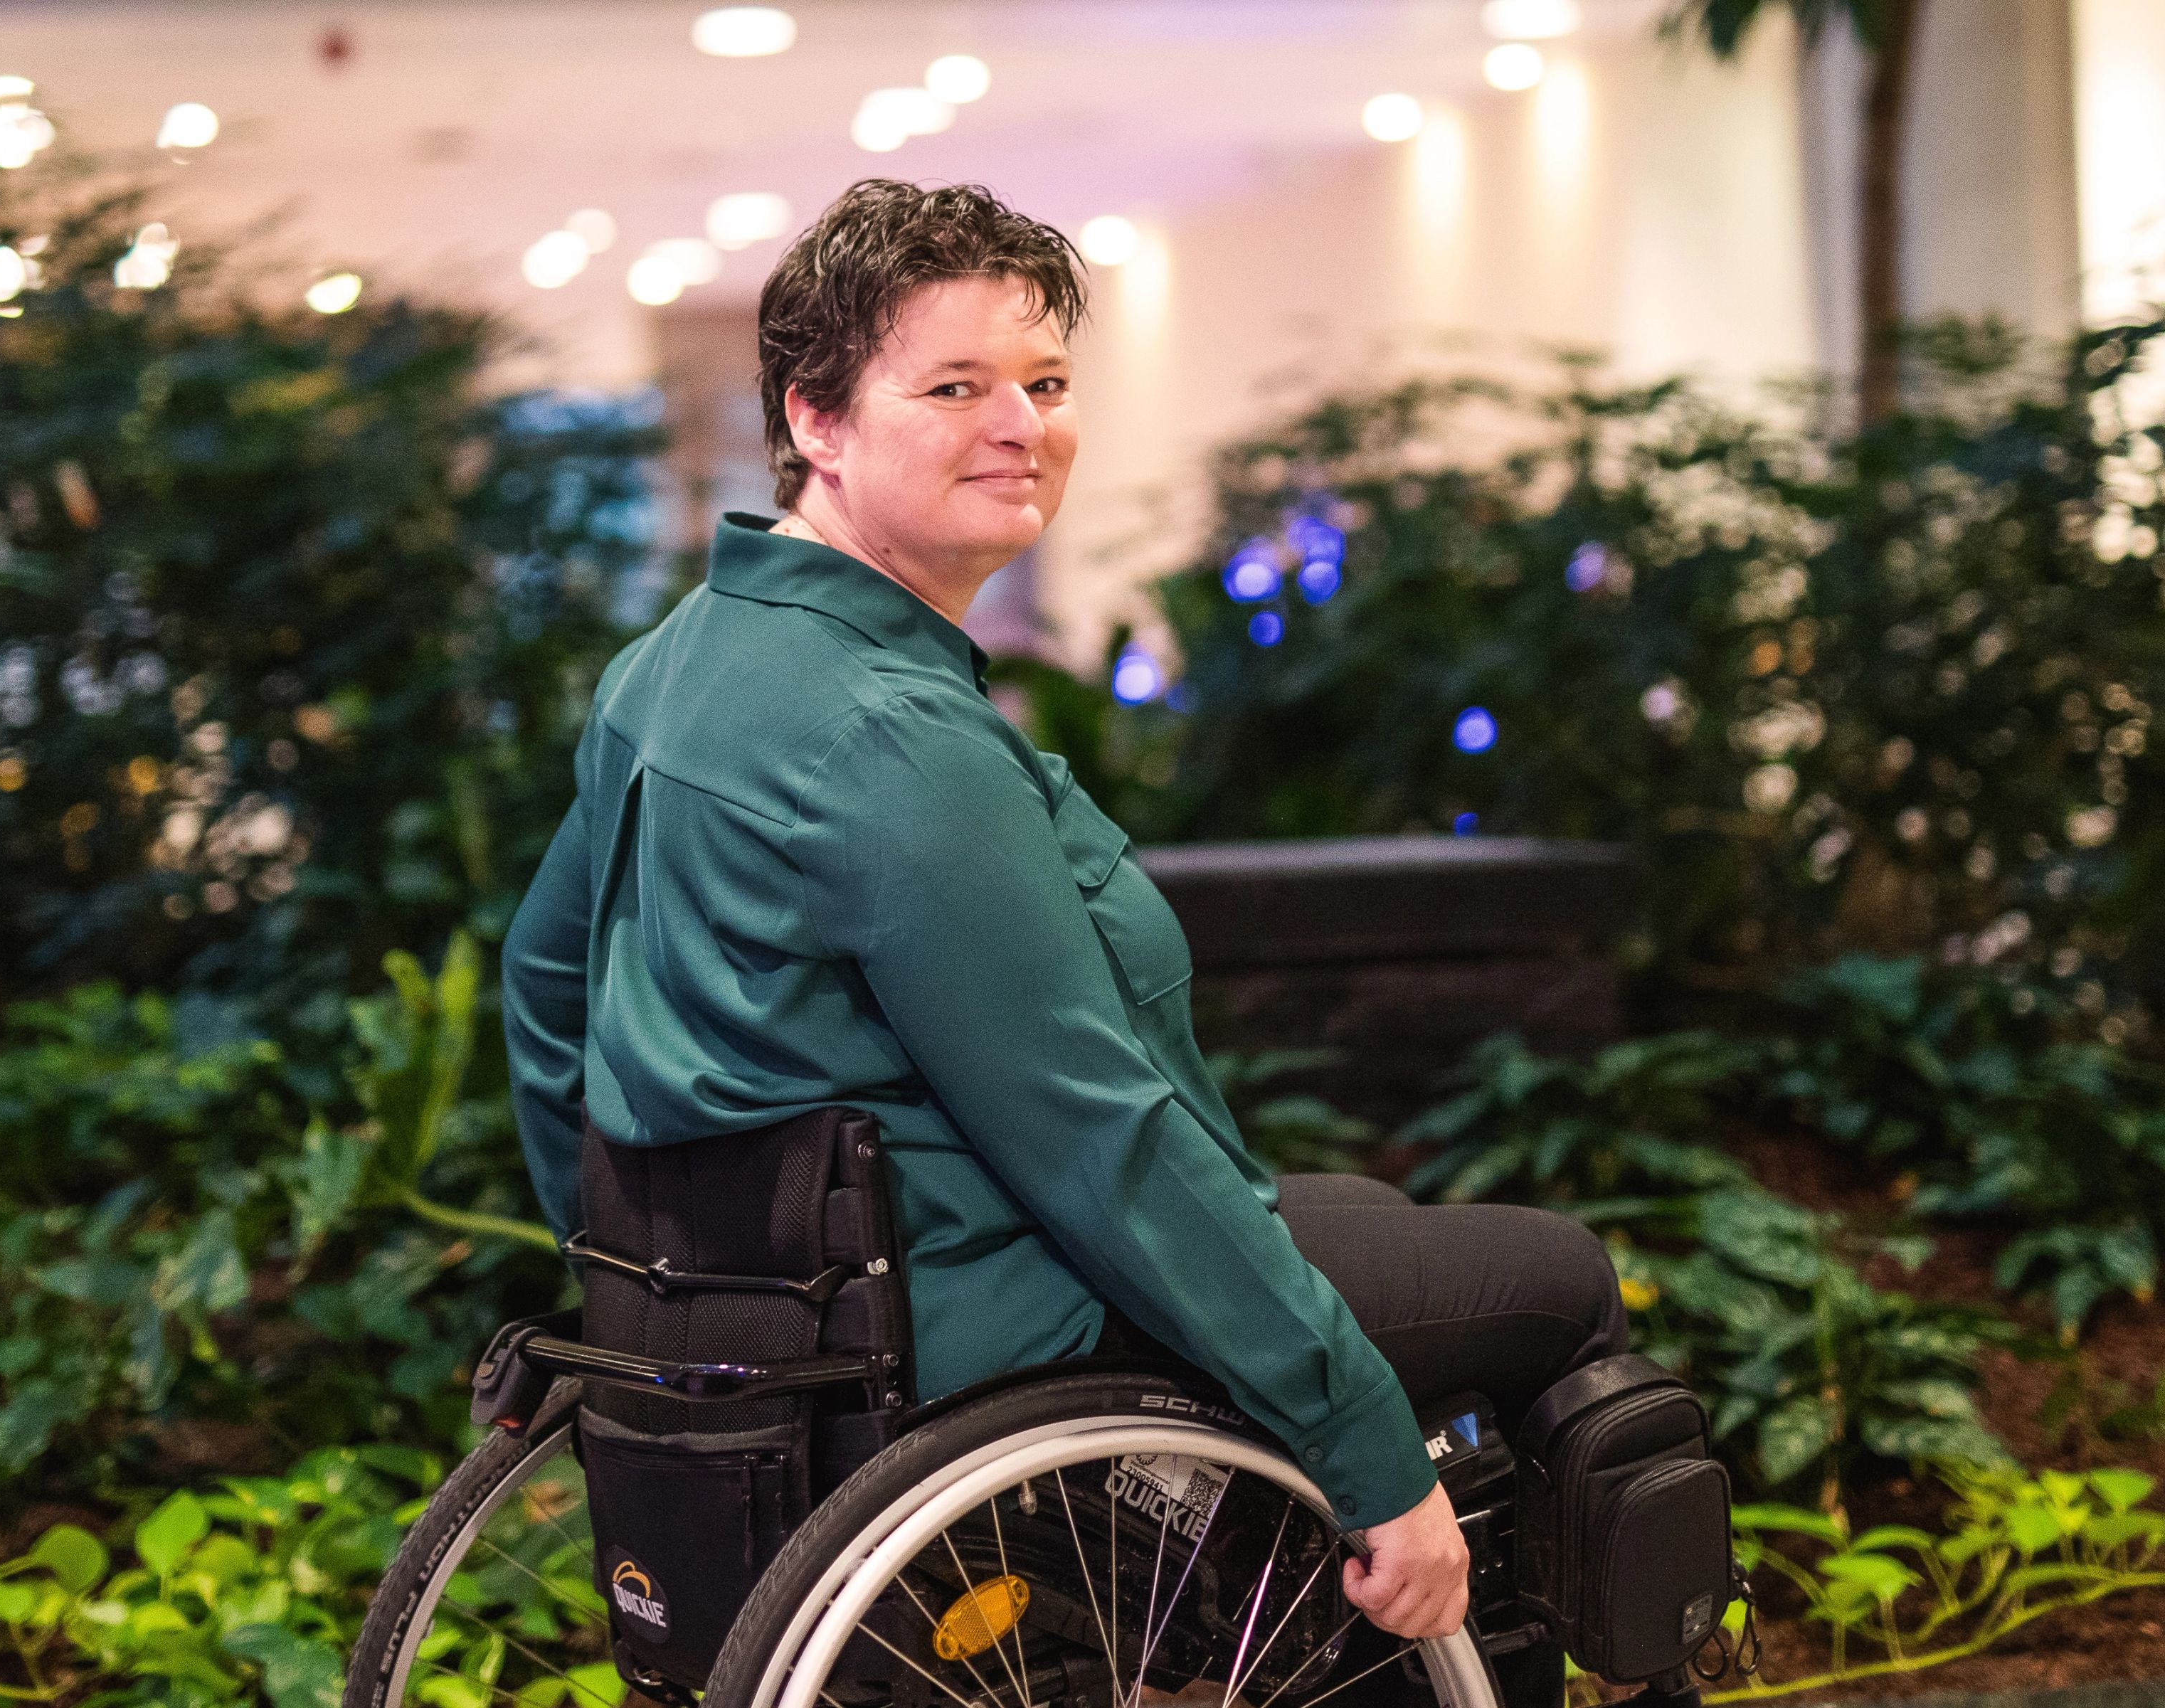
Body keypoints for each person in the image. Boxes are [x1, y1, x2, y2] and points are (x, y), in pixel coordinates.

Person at [500, 178, 1629, 1673]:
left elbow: (543, 978)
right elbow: (1098, 1140)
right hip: (961, 1313)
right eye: (954, 385)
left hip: (798, 1295)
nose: (1022, 423)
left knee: (1365, 1214)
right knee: (1554, 1281)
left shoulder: (678, 663)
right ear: (817, 421)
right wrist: (1375, 1463)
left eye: (1044, 383)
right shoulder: (889, 736)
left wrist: (635, 1270)